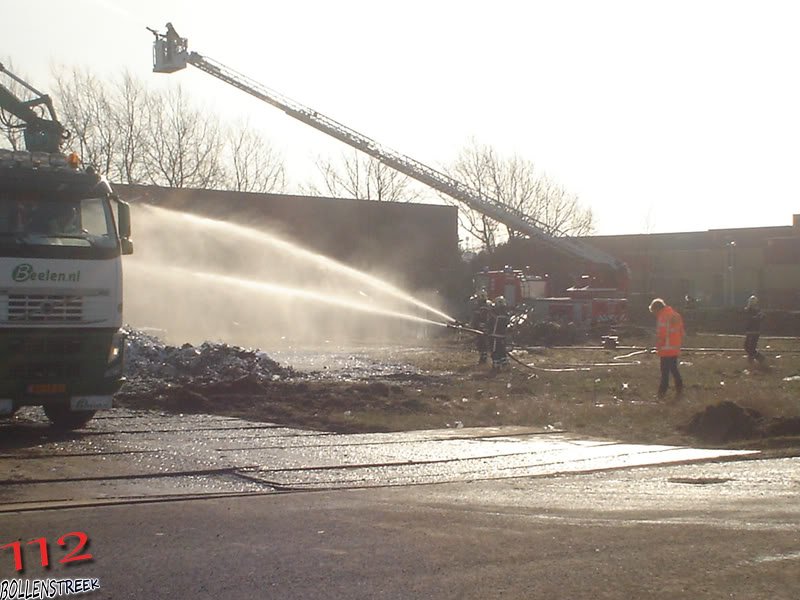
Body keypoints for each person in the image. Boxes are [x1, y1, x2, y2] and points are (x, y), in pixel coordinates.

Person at [649, 297, 684, 399]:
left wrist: (658, 345)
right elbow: (681, 331)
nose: (654, 314)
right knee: (674, 369)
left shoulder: (663, 317)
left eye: (654, 311)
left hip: (666, 349)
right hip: (674, 348)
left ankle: (661, 393)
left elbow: (662, 334)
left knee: (664, 372)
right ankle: (679, 388)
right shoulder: (675, 315)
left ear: (657, 308)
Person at [469, 289, 492, 364]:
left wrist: (475, 324)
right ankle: (484, 357)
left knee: (482, 343)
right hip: (485, 328)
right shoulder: (488, 304)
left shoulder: (483, 306)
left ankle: (483, 359)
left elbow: (479, 317)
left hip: (483, 328)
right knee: (482, 343)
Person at [489, 296, 510, 371]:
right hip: (503, 337)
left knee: (495, 351)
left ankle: (496, 366)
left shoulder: (494, 314)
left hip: (495, 336)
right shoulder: (506, 314)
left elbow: (490, 324)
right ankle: (504, 365)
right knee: (502, 350)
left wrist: (487, 331)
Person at [744, 295, 765, 365]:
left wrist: (756, 317)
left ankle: (758, 358)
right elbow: (748, 319)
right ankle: (757, 358)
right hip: (749, 330)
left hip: (755, 331)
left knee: (751, 347)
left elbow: (760, 318)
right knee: (747, 346)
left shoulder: (757, 310)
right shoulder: (748, 310)